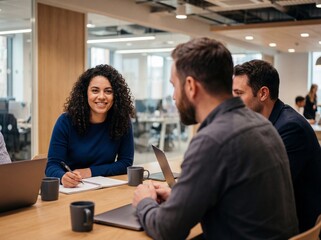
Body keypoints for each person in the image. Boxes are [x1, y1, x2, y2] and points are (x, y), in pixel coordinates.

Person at [132, 37, 298, 239]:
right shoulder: (262, 124)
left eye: (174, 85)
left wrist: (144, 202)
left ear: (191, 86)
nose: (174, 96)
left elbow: (167, 230)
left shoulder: (213, 140)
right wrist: (180, 197)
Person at [233, 59, 321, 233]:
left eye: (238, 93)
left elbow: (263, 189)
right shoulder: (264, 122)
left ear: (263, 93)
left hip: (291, 225)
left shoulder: (290, 127)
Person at [46, 64, 135, 188]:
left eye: (108, 91)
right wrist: (62, 177)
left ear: (116, 96)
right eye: (95, 90)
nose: (102, 96)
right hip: (73, 189)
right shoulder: (65, 122)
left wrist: (90, 171)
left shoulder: (122, 121)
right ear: (85, 93)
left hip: (105, 188)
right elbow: (52, 165)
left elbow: (125, 163)